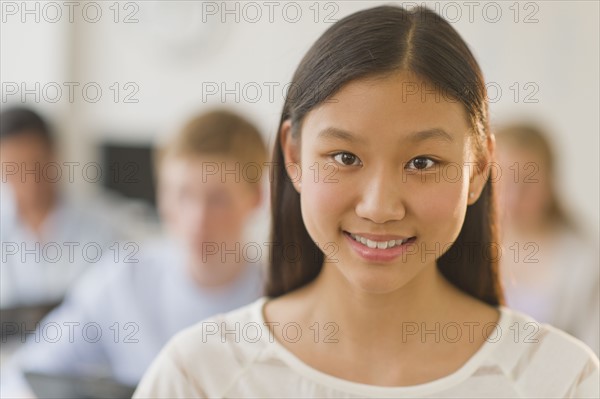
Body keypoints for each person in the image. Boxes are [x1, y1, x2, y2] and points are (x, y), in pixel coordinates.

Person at [134, 6, 599, 398]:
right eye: (344, 157)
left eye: (422, 162)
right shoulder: (198, 376)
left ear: (478, 170)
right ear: (293, 156)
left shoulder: (560, 381)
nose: (379, 208)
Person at [1, 109, 268, 397]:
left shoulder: (279, 296)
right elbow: (27, 374)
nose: (196, 221)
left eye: (218, 199)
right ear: (160, 193)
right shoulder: (123, 278)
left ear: (255, 199)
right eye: (182, 194)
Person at [0, 106, 124, 309]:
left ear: (54, 154)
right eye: (14, 170)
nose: (29, 181)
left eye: (37, 165)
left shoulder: (105, 225)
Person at [496, 123, 599, 355]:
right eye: (505, 183)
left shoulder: (584, 260)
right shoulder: (472, 248)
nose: (513, 198)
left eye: (528, 184)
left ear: (550, 182)